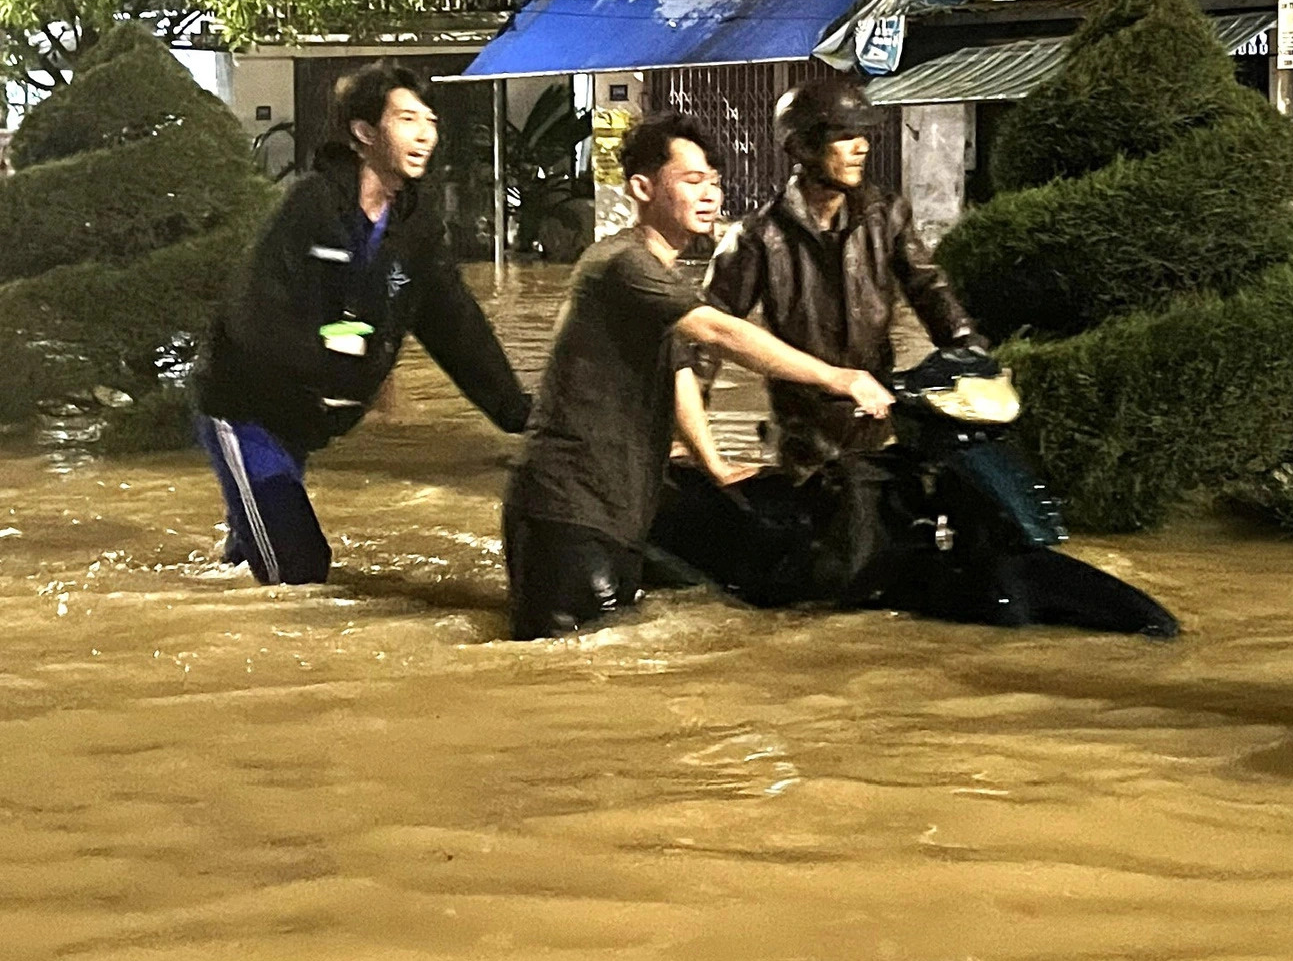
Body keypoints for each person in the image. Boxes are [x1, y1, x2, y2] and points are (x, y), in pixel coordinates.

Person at [504, 111, 893, 640]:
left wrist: (711, 461)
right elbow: (719, 333)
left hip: (615, 515)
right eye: (691, 181)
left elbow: (679, 370)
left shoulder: (659, 276)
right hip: (568, 513)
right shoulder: (622, 263)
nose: (710, 194)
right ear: (642, 188)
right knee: (573, 676)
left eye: (714, 181)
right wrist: (839, 378)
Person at [194, 61, 532, 585]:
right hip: (244, 407)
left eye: (430, 120)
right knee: (297, 568)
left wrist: (518, 413)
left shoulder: (414, 227)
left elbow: (456, 325)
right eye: (406, 119)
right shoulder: (310, 205)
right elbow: (254, 315)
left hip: (304, 417)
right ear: (364, 133)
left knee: (251, 560)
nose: (425, 134)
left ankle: (202, 610)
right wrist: (343, 364)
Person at [680, 77, 983, 598]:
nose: (862, 146)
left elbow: (930, 288)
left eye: (864, 134)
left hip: (883, 425)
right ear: (802, 147)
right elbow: (708, 336)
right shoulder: (756, 238)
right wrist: (686, 434)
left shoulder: (886, 215)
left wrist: (970, 349)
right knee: (833, 579)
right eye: (845, 135)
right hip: (806, 439)